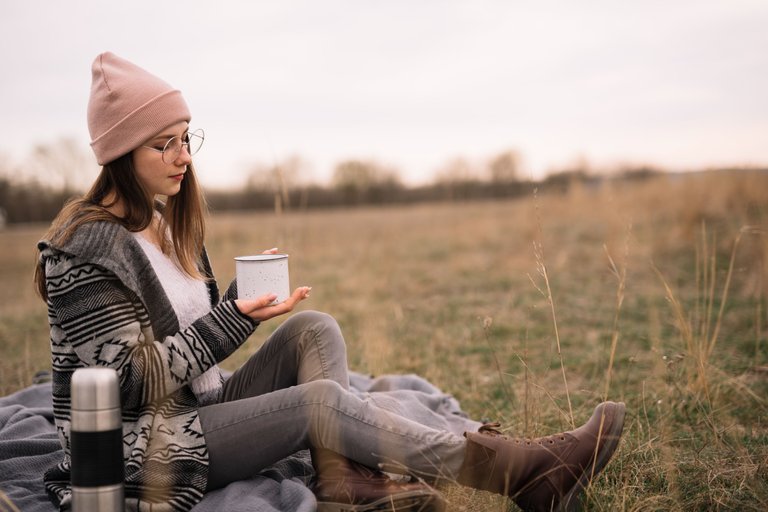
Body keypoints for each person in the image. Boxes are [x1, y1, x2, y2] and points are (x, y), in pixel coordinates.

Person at [35, 51, 626, 512]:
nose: (183, 154)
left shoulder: (164, 223)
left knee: (315, 330)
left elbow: (196, 349)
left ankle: (340, 479)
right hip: (149, 448)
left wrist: (243, 305)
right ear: (118, 151)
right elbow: (129, 380)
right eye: (164, 142)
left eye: (187, 136)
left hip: (201, 406)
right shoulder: (86, 249)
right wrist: (235, 316)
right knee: (321, 401)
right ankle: (520, 471)